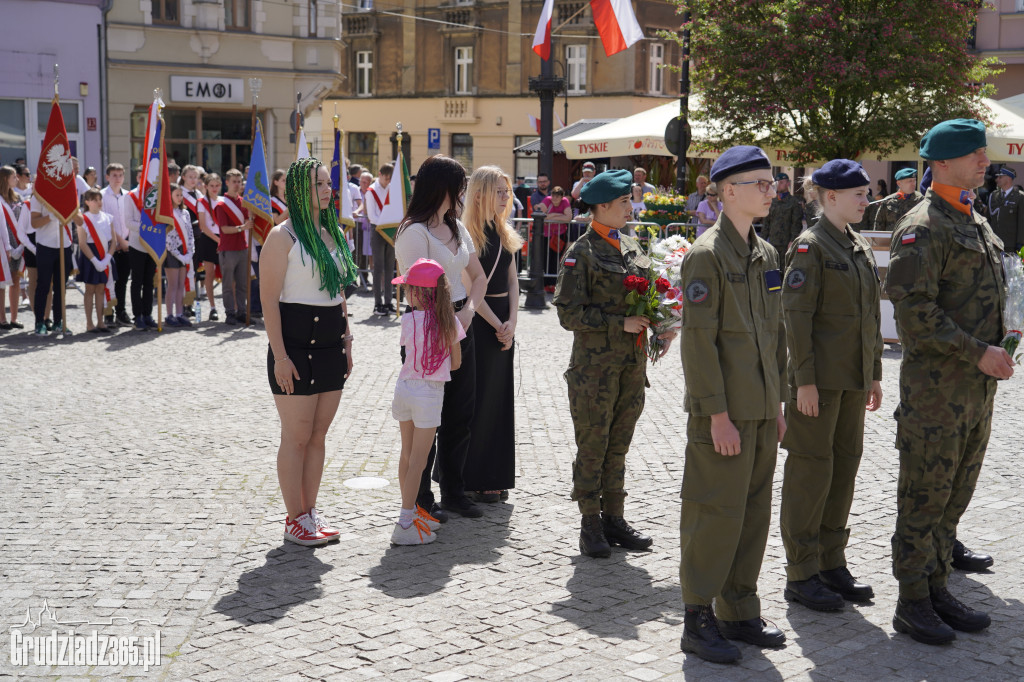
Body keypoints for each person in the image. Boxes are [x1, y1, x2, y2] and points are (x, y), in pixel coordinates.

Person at [885, 118, 1012, 645]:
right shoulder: (924, 224)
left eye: (983, 153)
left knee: (955, 493)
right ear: (941, 164)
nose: (985, 161)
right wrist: (977, 350)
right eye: (973, 154)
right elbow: (911, 310)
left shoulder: (974, 220)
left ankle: (937, 586)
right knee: (924, 496)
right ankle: (912, 599)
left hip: (975, 390)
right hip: (938, 391)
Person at [677, 146, 787, 663]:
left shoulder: (765, 254)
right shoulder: (706, 255)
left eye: (771, 182)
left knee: (752, 514)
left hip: (762, 409)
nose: (772, 190)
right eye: (760, 183)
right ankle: (697, 618)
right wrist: (716, 414)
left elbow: (774, 333)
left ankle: (739, 610)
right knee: (714, 513)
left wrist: (778, 402)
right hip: (724, 412)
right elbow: (699, 343)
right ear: (727, 191)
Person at [555, 169, 676, 559]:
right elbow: (569, 315)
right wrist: (617, 324)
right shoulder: (582, 253)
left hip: (631, 365)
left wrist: (663, 324)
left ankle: (614, 518)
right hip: (595, 371)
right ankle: (590, 522)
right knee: (594, 444)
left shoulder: (633, 247)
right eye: (623, 202)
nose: (630, 206)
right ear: (601, 206)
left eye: (629, 200)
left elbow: (649, 296)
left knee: (619, 445)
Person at [779, 161, 883, 613]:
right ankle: (802, 573)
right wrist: (803, 382)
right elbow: (795, 321)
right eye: (858, 194)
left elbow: (870, 318)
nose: (866, 200)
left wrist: (874, 372)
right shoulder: (810, 247)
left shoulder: (856, 243)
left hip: (852, 381)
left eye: (865, 193)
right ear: (830, 197)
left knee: (843, 470)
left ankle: (831, 561)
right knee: (810, 473)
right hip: (818, 383)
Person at [261, 157, 357, 546]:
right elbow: (268, 301)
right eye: (318, 183)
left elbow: (338, 292)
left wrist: (348, 340)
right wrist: (280, 356)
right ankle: (294, 518)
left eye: (327, 182)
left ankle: (310, 513)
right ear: (299, 189)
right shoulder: (281, 237)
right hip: (295, 346)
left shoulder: (332, 232)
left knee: (318, 436)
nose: (326, 189)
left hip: (331, 343)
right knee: (296, 436)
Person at [394, 154, 488, 522]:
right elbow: (418, 291)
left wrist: (467, 311)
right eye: (459, 185)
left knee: (460, 414)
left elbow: (477, 277)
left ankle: (453, 490)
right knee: (426, 419)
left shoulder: (457, 228)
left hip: (460, 323)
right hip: (429, 332)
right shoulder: (413, 232)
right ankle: (419, 498)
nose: (463, 192)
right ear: (442, 188)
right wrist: (451, 322)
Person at [389, 258, 463, 545]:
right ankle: (406, 520)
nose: (406, 293)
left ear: (418, 294)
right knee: (419, 460)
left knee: (407, 455)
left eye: (408, 289)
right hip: (429, 392)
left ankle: (412, 513)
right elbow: (456, 364)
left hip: (404, 386)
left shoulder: (408, 319)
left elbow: (408, 350)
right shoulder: (450, 323)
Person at [461, 167, 523, 503]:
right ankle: (473, 477)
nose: (504, 197)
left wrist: (512, 320)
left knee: (499, 402)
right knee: (478, 400)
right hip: (478, 323)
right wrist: (496, 323)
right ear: (481, 194)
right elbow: (472, 288)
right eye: (499, 191)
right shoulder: (467, 234)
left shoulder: (505, 233)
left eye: (506, 191)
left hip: (502, 322)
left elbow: (512, 281)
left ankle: (495, 476)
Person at [72, 188, 118, 333]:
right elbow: (83, 243)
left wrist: (107, 258)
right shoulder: (83, 218)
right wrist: (95, 261)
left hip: (105, 255)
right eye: (94, 200)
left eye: (99, 199)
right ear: (87, 202)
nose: (98, 202)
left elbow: (114, 241)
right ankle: (89, 323)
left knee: (100, 289)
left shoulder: (108, 217)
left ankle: (101, 322)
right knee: (90, 289)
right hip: (90, 257)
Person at [30, 191, 75, 335]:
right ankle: (40, 322)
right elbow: (34, 223)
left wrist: (70, 213)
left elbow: (79, 219)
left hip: (64, 245)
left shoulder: (68, 195)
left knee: (61, 286)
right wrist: (51, 216)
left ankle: (58, 322)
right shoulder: (38, 197)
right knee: (43, 285)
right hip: (45, 245)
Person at [213, 168, 254, 325]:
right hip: (228, 249)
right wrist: (242, 228)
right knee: (228, 284)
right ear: (227, 183)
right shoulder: (221, 204)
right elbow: (223, 229)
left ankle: (242, 312)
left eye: (239, 181)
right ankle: (230, 313)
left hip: (242, 248)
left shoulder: (244, 202)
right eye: (234, 182)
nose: (237, 185)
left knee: (242, 284)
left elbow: (250, 220)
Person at [101, 163, 132, 327]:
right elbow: (106, 221)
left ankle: (121, 311)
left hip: (126, 244)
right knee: (108, 281)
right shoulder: (102, 196)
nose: (117, 178)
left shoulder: (128, 195)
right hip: (110, 245)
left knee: (123, 280)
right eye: (114, 175)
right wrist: (119, 241)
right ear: (107, 177)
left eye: (120, 175)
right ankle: (108, 313)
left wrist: (126, 241)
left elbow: (129, 219)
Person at [366, 163, 395, 317]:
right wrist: (385, 226)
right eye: (385, 177)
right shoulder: (371, 191)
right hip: (377, 230)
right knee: (378, 268)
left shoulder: (391, 189)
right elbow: (372, 216)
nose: (387, 181)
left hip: (389, 231)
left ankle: (388, 301)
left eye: (390, 178)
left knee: (390, 267)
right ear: (380, 174)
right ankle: (378, 303)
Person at [165, 184, 195, 327]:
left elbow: (190, 233)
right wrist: (178, 254)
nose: (179, 198)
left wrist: (190, 251)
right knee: (173, 284)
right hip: (172, 252)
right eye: (176, 195)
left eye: (181, 195)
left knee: (181, 285)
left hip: (185, 251)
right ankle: (169, 315)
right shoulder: (166, 214)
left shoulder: (185, 213)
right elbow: (168, 238)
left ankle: (179, 313)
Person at [0, 166, 26, 329]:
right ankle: (2, 318)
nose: (17, 179)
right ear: (5, 179)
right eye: (14, 177)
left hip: (18, 244)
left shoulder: (18, 198)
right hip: (3, 246)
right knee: (1, 283)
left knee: (16, 280)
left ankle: (14, 318)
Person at [197, 173, 222, 321]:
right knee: (210, 274)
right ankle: (212, 307)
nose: (214, 188)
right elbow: (203, 226)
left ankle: (231, 308)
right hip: (209, 239)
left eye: (217, 185)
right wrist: (218, 240)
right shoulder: (202, 202)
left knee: (227, 274)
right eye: (211, 186)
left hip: (223, 238)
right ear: (206, 187)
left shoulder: (223, 200)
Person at [762, 172, 804, 258]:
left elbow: (796, 223)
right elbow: (766, 223)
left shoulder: (794, 202)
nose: (779, 185)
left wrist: (793, 240)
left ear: (788, 183)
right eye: (777, 183)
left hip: (786, 243)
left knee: (785, 268)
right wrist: (762, 240)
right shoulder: (771, 201)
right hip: (772, 242)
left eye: (781, 182)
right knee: (772, 268)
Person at [874, 168, 924, 232]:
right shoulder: (888, 201)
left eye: (914, 180)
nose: (913, 183)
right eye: (909, 181)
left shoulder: (921, 200)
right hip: (891, 240)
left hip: (913, 240)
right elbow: (878, 225)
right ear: (899, 183)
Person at [987, 167, 1023, 253]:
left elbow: (1022, 222)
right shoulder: (993, 195)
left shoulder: (1020, 197)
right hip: (993, 242)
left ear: (1009, 178)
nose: (997, 179)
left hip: (1010, 244)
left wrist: (1020, 242)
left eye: (1000, 177)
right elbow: (988, 218)